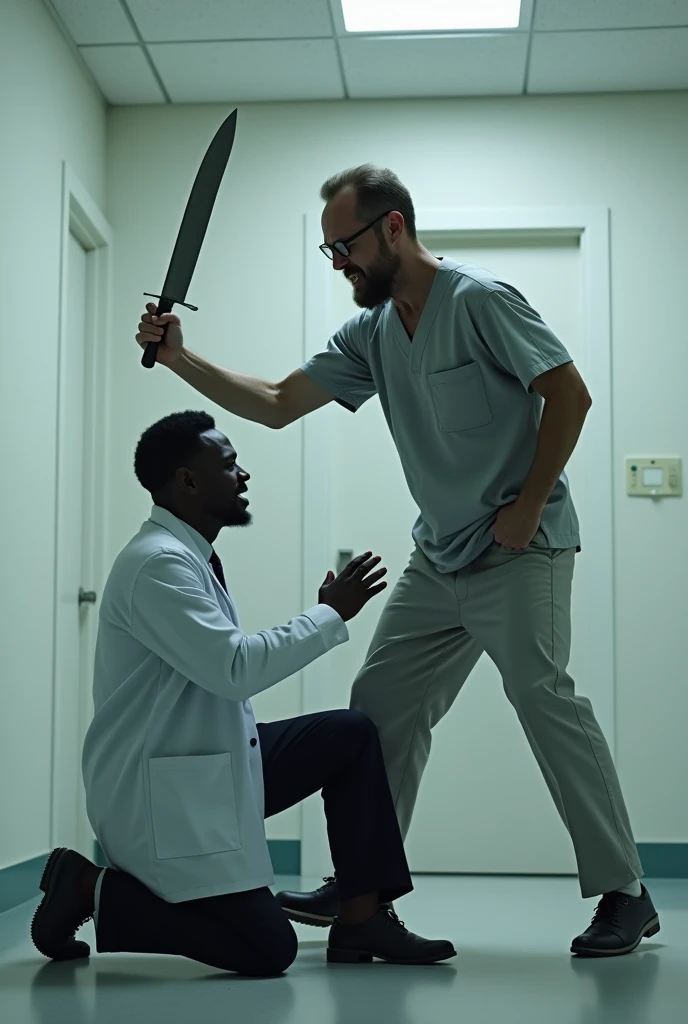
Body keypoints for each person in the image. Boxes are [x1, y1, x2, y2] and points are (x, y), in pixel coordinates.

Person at [133, 166, 660, 959]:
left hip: (522, 549)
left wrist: (526, 506)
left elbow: (570, 394)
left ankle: (626, 891)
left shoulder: (481, 300)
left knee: (544, 700)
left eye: (343, 246)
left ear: (392, 228)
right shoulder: (373, 333)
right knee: (377, 708)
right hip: (439, 557)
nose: (338, 263)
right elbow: (278, 402)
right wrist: (180, 359)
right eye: (327, 251)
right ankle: (364, 890)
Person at [31, 411, 456, 973]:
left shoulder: (187, 557)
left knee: (350, 736)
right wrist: (329, 614)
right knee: (267, 949)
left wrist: (325, 616)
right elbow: (235, 667)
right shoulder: (158, 565)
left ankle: (362, 918)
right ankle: (87, 886)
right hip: (161, 799)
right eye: (229, 465)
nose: (244, 475)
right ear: (187, 481)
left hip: (203, 769)